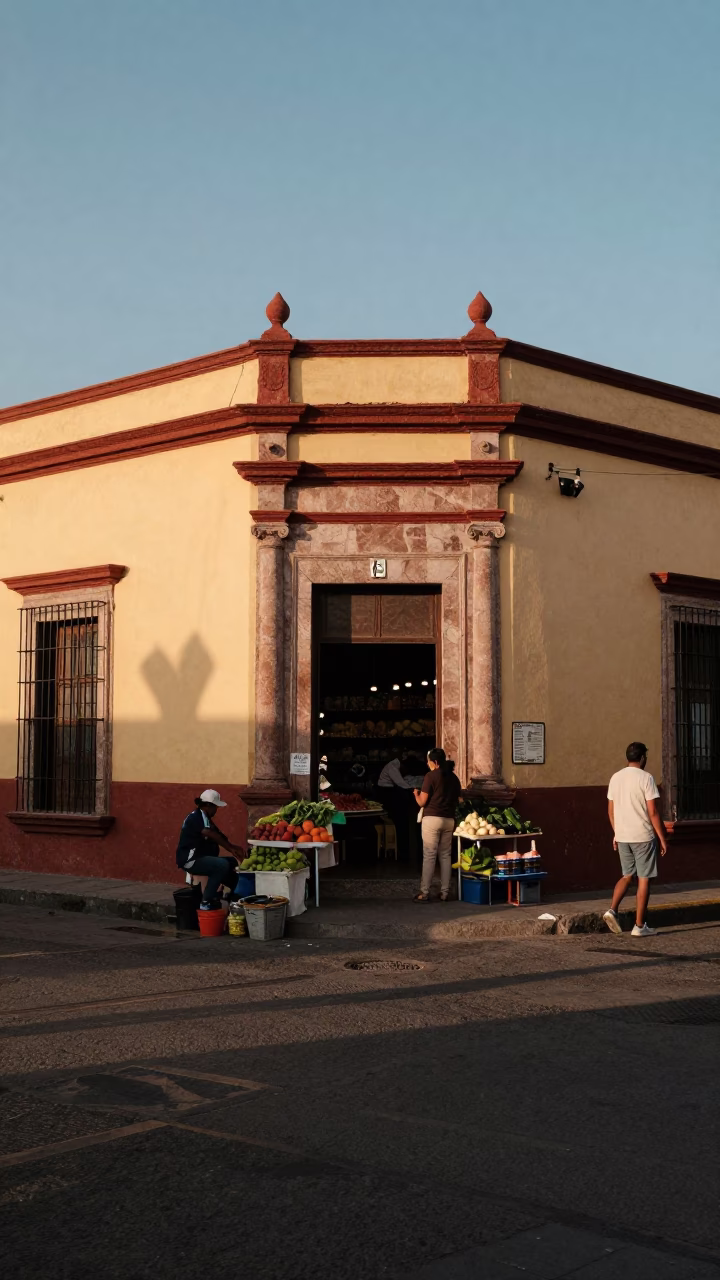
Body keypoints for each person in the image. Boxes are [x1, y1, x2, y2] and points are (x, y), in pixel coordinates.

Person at [604, 742, 668, 937]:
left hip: (623, 836)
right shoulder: (646, 778)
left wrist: (616, 833)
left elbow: (610, 811)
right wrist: (662, 838)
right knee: (644, 879)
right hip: (643, 836)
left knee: (627, 875)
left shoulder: (615, 778)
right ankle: (639, 926)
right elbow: (653, 812)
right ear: (642, 758)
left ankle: (612, 909)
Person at [175, 789, 245, 910]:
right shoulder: (195, 817)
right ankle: (206, 901)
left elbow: (218, 834)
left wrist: (234, 847)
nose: (216, 810)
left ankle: (233, 895)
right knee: (221, 865)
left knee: (231, 862)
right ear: (208, 805)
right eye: (215, 807)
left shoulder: (205, 818)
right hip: (191, 860)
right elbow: (209, 833)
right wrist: (230, 848)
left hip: (200, 857)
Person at [412, 748, 462, 901]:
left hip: (432, 819)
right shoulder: (454, 778)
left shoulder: (430, 776)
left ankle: (424, 892)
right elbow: (459, 800)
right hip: (449, 820)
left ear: (435, 762)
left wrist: (416, 794)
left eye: (429, 762)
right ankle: (445, 893)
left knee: (429, 855)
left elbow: (422, 802)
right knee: (445, 855)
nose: (428, 764)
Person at [378, 755, 413, 860]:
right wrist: (413, 790)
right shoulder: (393, 767)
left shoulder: (395, 766)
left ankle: (404, 849)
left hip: (390, 792)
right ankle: (403, 850)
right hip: (387, 793)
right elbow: (401, 783)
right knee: (400, 820)